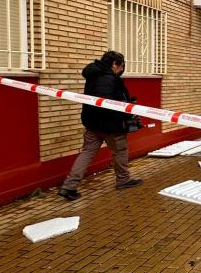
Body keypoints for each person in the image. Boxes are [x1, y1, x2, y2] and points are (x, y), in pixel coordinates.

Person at [58, 51, 142, 201]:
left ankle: (69, 186)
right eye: (121, 66)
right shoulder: (111, 79)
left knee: (87, 153)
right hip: (111, 125)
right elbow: (110, 104)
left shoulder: (92, 75)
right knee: (120, 151)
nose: (121, 70)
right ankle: (123, 180)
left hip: (92, 123)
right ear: (114, 64)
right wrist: (127, 111)